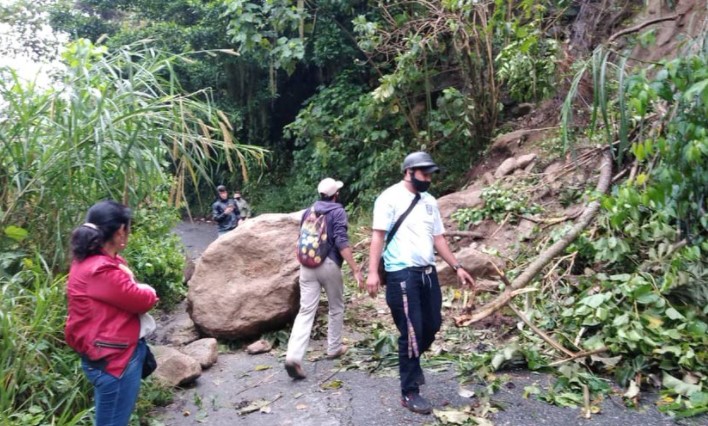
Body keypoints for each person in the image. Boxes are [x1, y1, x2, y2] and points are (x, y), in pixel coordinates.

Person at [366, 152, 475, 415]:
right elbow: (378, 236)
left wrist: (457, 266)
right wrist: (372, 272)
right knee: (412, 332)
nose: (428, 179)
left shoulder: (429, 202)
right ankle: (409, 391)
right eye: (424, 174)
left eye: (430, 175)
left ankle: (412, 361)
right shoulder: (389, 197)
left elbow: (438, 238)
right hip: (401, 275)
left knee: (433, 324)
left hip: (427, 273)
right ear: (409, 171)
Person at [64, 200, 159, 426]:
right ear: (120, 231)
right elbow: (142, 300)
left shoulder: (88, 261)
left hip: (103, 353)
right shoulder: (101, 269)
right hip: (115, 360)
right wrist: (150, 292)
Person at [285, 178, 364, 380]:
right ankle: (334, 348)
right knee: (336, 307)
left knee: (305, 311)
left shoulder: (308, 211)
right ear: (335, 194)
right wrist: (355, 268)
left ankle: (293, 357)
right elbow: (341, 241)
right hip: (328, 265)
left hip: (306, 266)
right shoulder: (337, 211)